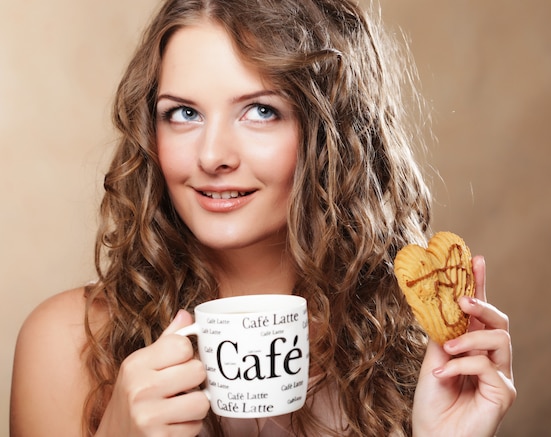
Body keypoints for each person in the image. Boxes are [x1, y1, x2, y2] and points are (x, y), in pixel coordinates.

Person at [10, 0, 516, 435]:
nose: (212, 156)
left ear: (331, 137)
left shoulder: (412, 350)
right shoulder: (66, 347)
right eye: (183, 113)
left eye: (260, 111)